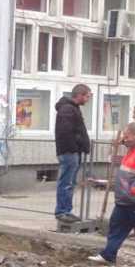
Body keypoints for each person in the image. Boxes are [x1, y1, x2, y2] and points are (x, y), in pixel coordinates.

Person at [90, 122, 135, 265]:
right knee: (115, 228)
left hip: (132, 200)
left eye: (127, 136)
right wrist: (122, 140)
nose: (124, 139)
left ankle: (108, 255)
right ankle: (108, 255)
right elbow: (125, 142)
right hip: (123, 200)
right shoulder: (131, 148)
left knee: (118, 228)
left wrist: (133, 190)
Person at [54, 83, 92, 223]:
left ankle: (66, 211)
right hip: (69, 152)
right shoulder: (68, 109)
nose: (88, 99)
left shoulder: (72, 108)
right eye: (87, 96)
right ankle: (62, 212)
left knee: (70, 182)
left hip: (72, 151)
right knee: (66, 182)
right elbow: (66, 132)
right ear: (80, 95)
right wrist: (77, 145)